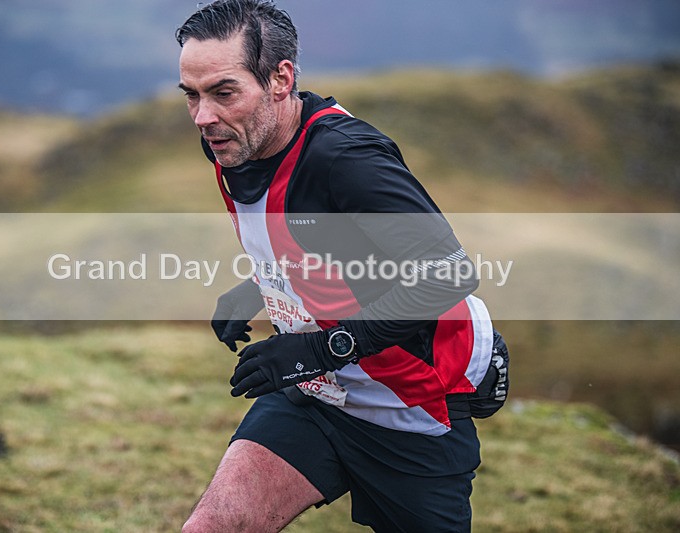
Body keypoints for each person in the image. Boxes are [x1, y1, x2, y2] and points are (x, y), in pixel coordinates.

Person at [175, 1, 502, 531]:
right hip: (315, 396)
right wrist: (259, 289)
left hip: (412, 412)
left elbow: (448, 274)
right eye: (192, 95)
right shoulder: (234, 145)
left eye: (223, 92)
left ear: (281, 79)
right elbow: (321, 243)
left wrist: (318, 347)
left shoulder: (347, 158)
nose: (204, 117)